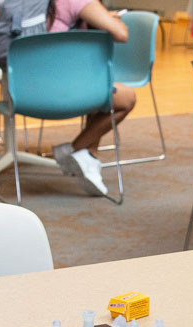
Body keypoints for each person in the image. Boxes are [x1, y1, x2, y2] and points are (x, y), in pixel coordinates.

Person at [46, 0, 137, 197]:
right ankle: (71, 151)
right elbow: (122, 34)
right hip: (66, 91)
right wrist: (106, 17)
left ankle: (88, 159)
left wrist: (98, 16)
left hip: (29, 89)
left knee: (94, 81)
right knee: (126, 99)